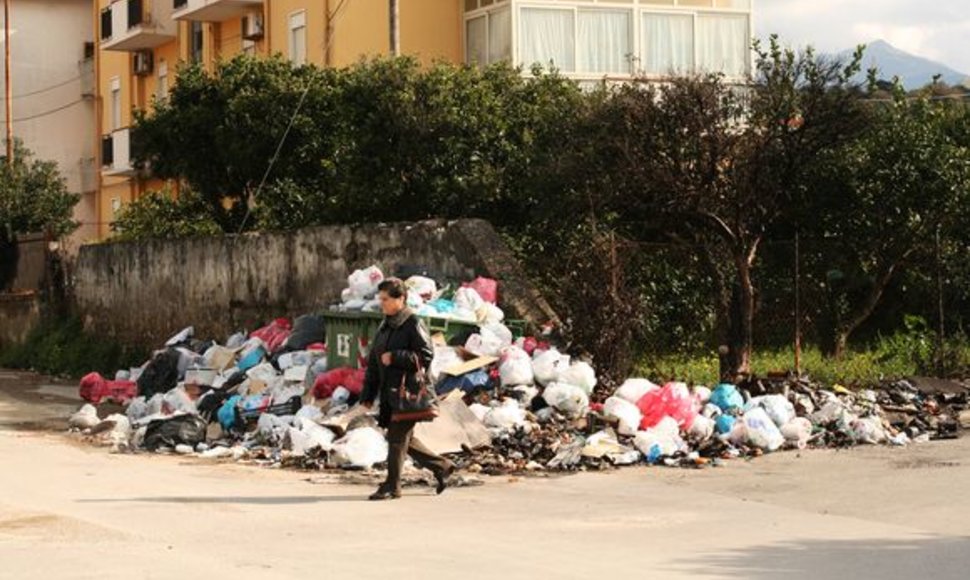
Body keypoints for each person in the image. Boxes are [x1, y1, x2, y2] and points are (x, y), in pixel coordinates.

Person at [360, 277, 455, 500]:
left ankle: (392, 485)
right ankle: (442, 467)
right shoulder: (385, 324)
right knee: (403, 440)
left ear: (400, 299)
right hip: (389, 392)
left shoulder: (412, 323)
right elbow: (375, 363)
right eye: (380, 299)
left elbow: (425, 356)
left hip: (407, 392)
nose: (381, 303)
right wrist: (367, 395)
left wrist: (395, 357)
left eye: (385, 299)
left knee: (396, 439)